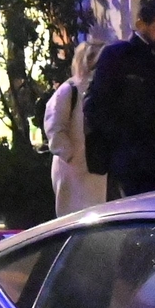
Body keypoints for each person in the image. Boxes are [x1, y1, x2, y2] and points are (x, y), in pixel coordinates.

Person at [85, 0, 155, 199]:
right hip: (128, 162)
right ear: (140, 25)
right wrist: (120, 143)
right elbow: (96, 106)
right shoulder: (117, 56)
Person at [43, 39, 104, 216]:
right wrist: (69, 155)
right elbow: (54, 127)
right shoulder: (68, 90)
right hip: (72, 171)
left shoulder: (101, 90)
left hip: (96, 169)